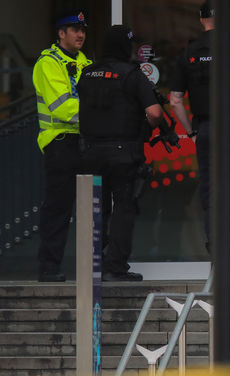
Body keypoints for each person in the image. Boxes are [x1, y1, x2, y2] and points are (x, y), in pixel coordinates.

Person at [77, 25, 176, 281]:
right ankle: (115, 267)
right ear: (123, 46)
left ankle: (93, 266)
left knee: (96, 209)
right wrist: (149, 129)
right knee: (124, 207)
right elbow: (154, 113)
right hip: (123, 152)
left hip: (90, 152)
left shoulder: (87, 74)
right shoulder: (131, 75)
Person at [170, 2, 230, 251]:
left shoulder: (189, 52)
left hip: (206, 129)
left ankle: (217, 244)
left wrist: (192, 131)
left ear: (201, 19)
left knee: (210, 189)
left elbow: (175, 101)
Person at [33, 10, 92, 282]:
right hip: (60, 142)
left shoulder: (86, 63)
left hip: (85, 141)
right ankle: (49, 267)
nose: (80, 34)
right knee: (58, 207)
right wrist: (99, 115)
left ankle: (96, 266)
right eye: (73, 29)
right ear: (60, 33)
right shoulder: (48, 63)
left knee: (94, 206)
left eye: (82, 29)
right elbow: (62, 107)